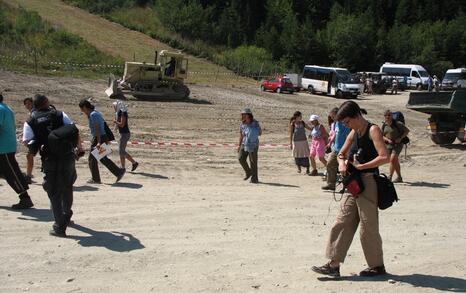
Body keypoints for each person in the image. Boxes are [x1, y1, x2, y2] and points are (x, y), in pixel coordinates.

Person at [312, 101, 389, 278]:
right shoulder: (353, 132)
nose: (346, 126)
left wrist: (362, 167)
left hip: (369, 183)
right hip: (352, 184)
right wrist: (341, 163)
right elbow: (341, 153)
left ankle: (377, 266)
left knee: (368, 226)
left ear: (356, 116)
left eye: (347, 122)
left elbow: (384, 157)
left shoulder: (373, 130)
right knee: (342, 221)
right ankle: (333, 264)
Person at [23, 94, 83, 237]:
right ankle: (67, 214)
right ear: (47, 102)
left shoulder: (30, 121)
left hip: (49, 159)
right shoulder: (60, 114)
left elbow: (28, 143)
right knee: (67, 187)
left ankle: (59, 226)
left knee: (53, 191)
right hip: (68, 156)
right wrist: (79, 149)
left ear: (34, 105)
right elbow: (74, 130)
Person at [79, 99, 125, 184]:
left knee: (92, 159)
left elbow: (98, 128)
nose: (82, 111)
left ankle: (96, 179)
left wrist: (99, 142)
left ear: (85, 107)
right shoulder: (94, 113)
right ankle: (118, 172)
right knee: (103, 158)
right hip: (102, 137)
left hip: (98, 138)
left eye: (82, 109)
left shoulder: (93, 115)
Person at [0, 94, 34, 209]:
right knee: (9, 172)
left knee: (11, 173)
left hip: (3, 147)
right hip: (7, 145)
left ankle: (25, 198)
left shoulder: (0, 109)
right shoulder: (6, 107)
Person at [322, 108, 350, 190]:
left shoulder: (344, 123)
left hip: (343, 149)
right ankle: (331, 184)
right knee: (330, 164)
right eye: (331, 117)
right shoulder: (336, 123)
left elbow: (348, 136)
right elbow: (335, 134)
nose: (332, 118)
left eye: (333, 116)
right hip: (336, 148)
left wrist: (347, 150)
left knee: (345, 168)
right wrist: (330, 143)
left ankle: (346, 186)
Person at [382, 110, 410, 183]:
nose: (387, 117)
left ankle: (390, 177)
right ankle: (399, 177)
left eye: (389, 115)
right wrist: (387, 140)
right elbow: (382, 135)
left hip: (398, 144)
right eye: (386, 115)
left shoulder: (398, 123)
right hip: (389, 145)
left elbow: (407, 131)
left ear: (392, 116)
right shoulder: (384, 125)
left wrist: (400, 138)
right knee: (394, 161)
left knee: (392, 159)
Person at [112, 100, 138, 171]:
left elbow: (122, 124)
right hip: (122, 133)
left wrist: (115, 122)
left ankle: (125, 166)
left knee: (121, 151)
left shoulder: (123, 113)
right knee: (122, 151)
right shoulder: (119, 112)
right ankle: (131, 164)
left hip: (125, 134)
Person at [238, 108, 261, 184]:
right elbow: (241, 135)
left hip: (253, 144)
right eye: (242, 114)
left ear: (248, 115)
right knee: (240, 158)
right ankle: (248, 172)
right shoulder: (242, 123)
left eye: (244, 114)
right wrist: (239, 145)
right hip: (244, 144)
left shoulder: (255, 123)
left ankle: (254, 179)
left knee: (253, 162)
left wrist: (253, 131)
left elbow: (260, 133)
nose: (242, 116)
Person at [22, 97, 35, 184]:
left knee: (29, 156)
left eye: (29, 103)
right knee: (29, 156)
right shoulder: (31, 113)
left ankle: (28, 176)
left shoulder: (35, 113)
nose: (28, 105)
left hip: (36, 139)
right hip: (33, 138)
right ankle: (28, 175)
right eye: (26, 104)